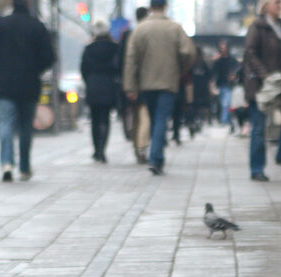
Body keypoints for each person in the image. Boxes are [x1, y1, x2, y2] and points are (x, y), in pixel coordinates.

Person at [0, 0, 55, 182]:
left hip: (6, 83)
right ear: (28, 5)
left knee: (5, 123)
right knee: (25, 126)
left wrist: (0, 68)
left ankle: (6, 163)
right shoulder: (37, 27)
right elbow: (49, 56)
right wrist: (36, 69)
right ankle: (24, 166)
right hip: (29, 84)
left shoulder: (0, 25)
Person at [122, 0, 195, 176]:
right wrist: (180, 69)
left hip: (146, 83)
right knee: (161, 119)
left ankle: (156, 157)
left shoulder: (140, 29)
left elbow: (131, 59)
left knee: (155, 119)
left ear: (150, 8)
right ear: (165, 7)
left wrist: (130, 86)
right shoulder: (175, 28)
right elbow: (188, 53)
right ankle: (156, 158)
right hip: (168, 81)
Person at [243, 0, 281, 181]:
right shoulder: (257, 26)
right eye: (276, 2)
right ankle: (257, 169)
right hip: (262, 86)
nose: (280, 6)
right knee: (259, 127)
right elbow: (250, 53)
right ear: (266, 5)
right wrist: (264, 75)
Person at [81, 20, 119, 163]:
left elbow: (83, 68)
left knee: (95, 119)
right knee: (105, 118)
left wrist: (89, 81)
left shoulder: (89, 48)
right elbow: (118, 67)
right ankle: (103, 149)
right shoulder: (114, 47)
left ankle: (96, 149)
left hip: (93, 85)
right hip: (109, 85)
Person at [117, 7, 150, 164]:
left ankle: (137, 146)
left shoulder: (127, 35)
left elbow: (122, 62)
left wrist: (127, 84)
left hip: (131, 82)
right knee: (144, 116)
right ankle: (141, 147)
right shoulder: (148, 34)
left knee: (136, 116)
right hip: (147, 81)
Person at [212, 40, 238, 132]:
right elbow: (213, 72)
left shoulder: (231, 59)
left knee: (225, 104)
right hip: (220, 84)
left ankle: (224, 121)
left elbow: (237, 68)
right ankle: (230, 123)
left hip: (229, 85)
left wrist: (233, 75)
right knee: (222, 104)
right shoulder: (218, 60)